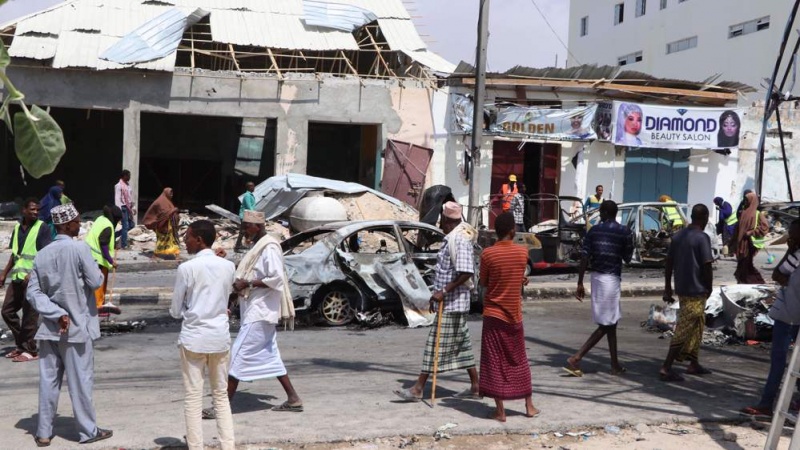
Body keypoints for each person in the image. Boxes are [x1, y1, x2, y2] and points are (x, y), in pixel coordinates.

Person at [26, 203, 112, 446]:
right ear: (65, 225)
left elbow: (33, 294)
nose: (79, 226)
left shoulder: (42, 254)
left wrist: (55, 312)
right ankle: (88, 431)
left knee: (48, 383)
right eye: (76, 222)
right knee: (81, 383)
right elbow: (95, 281)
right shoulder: (79, 249)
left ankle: (43, 433)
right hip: (76, 330)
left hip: (50, 329)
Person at [202, 210, 302, 420]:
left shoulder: (269, 247)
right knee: (272, 356)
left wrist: (246, 283)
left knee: (235, 358)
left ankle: (222, 407)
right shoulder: (259, 246)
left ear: (257, 226)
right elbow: (248, 272)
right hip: (256, 310)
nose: (244, 231)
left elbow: (275, 279)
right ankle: (293, 399)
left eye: (247, 227)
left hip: (261, 311)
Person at [394, 201, 480, 402]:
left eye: (442, 219)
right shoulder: (451, 238)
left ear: (448, 221)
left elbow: (466, 272)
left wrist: (443, 291)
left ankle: (418, 388)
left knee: (434, 345)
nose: (439, 222)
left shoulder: (458, 239)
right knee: (462, 344)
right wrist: (438, 294)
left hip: (453, 303)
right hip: (449, 302)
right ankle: (476, 386)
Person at [170, 220, 236, 450]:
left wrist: (190, 307)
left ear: (199, 239)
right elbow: (224, 297)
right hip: (219, 338)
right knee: (220, 396)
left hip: (194, 338)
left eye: (187, 236)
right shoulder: (228, 266)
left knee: (193, 397)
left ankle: (196, 446)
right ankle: (228, 446)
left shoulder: (186, 268)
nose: (185, 241)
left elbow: (175, 310)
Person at [478, 212, 539, 422]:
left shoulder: (487, 254)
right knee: (519, 359)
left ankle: (500, 411)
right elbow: (514, 274)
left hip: (494, 314)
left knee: (494, 361)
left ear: (496, 232)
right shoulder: (522, 253)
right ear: (513, 230)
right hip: (515, 315)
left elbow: (484, 283)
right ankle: (529, 406)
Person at [564, 200, 633, 377]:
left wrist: (579, 282)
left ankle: (614, 364)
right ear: (615, 213)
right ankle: (577, 357)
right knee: (607, 324)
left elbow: (585, 258)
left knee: (611, 323)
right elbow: (627, 257)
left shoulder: (593, 231)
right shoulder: (624, 231)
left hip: (596, 278)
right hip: (611, 279)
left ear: (602, 213)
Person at [741, 219, 800, 417]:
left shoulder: (796, 256)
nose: (790, 238)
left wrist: (791, 251)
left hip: (789, 314)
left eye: (792, 235)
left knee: (778, 361)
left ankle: (766, 404)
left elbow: (777, 275)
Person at [659, 204, 714, 382]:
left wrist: (668, 286)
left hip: (682, 288)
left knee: (698, 325)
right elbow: (707, 265)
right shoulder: (702, 238)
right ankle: (666, 367)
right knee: (684, 328)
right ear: (704, 217)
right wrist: (709, 286)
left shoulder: (678, 236)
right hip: (696, 290)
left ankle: (693, 362)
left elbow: (668, 263)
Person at [0, 198, 52, 362]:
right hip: (17, 277)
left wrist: (33, 274)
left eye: (37, 210)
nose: (36, 212)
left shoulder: (42, 228)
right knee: (7, 311)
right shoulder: (17, 228)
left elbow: (47, 255)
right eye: (32, 209)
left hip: (32, 279)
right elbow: (15, 255)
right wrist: (4, 274)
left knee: (30, 315)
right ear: (24, 211)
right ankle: (22, 344)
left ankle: (30, 350)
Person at [85, 206, 123, 315]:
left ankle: (95, 304)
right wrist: (111, 261)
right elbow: (103, 244)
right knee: (99, 285)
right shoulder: (108, 226)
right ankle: (98, 307)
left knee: (93, 284)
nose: (118, 222)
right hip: (99, 259)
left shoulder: (101, 219)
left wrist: (115, 244)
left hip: (89, 255)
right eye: (118, 219)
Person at [733, 192, 769, 284]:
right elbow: (737, 229)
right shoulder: (743, 213)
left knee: (746, 265)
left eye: (747, 200)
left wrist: (751, 232)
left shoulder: (757, 214)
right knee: (744, 264)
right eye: (744, 200)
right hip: (741, 243)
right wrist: (732, 243)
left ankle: (756, 282)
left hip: (749, 244)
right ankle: (745, 282)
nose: (745, 202)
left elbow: (764, 227)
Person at [142, 188, 180, 259]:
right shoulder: (160, 201)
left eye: (172, 193)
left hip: (170, 226)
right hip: (163, 226)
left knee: (173, 240)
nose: (172, 195)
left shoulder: (168, 202)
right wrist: (173, 211)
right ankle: (155, 255)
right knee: (162, 240)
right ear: (166, 193)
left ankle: (177, 254)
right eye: (170, 193)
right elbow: (163, 214)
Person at [114, 170, 135, 250]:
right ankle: (124, 245)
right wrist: (118, 211)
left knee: (131, 225)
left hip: (128, 208)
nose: (129, 177)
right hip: (122, 208)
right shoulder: (119, 186)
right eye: (128, 175)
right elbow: (117, 199)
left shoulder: (128, 186)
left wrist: (133, 207)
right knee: (125, 226)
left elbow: (130, 198)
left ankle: (114, 235)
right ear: (124, 176)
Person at [235, 181, 256, 252]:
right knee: (243, 231)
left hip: (248, 215)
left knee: (246, 231)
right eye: (252, 186)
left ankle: (246, 245)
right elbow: (249, 206)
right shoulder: (247, 195)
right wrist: (255, 215)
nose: (254, 187)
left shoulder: (250, 195)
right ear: (249, 187)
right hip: (245, 215)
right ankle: (237, 246)